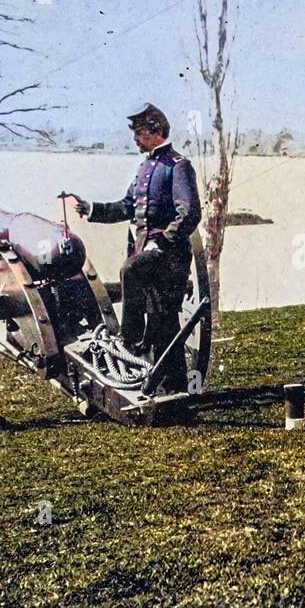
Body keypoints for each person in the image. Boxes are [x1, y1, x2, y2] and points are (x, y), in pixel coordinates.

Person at [66, 104, 202, 393]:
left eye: (139, 133)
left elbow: (189, 213)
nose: (135, 140)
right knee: (164, 325)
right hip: (148, 257)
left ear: (156, 132)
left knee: (132, 272)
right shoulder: (145, 168)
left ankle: (129, 340)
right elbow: (127, 207)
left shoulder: (178, 166)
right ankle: (173, 389)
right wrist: (91, 209)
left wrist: (162, 240)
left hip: (169, 260)